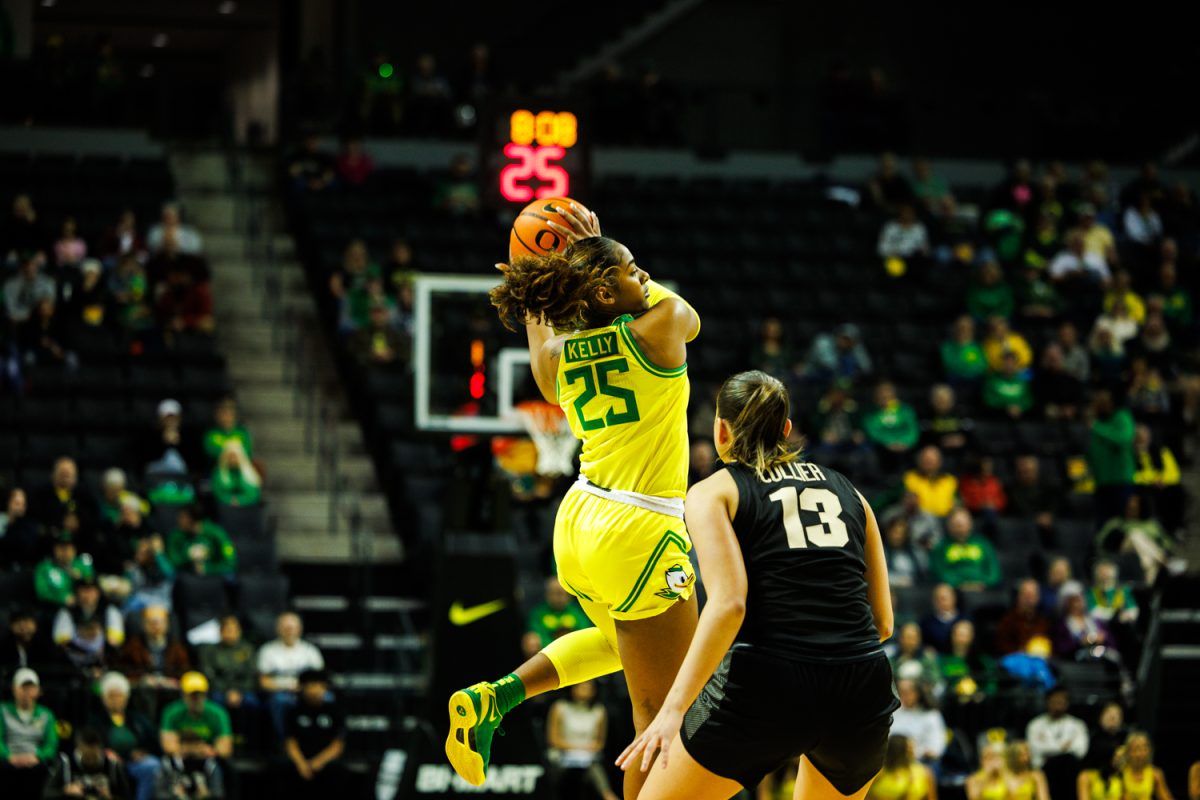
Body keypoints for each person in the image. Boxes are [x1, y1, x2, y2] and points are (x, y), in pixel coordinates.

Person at [447, 207, 703, 798]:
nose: (644, 277)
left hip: (580, 521)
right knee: (662, 718)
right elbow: (684, 314)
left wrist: (544, 274)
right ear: (607, 289)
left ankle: (498, 697)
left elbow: (543, 345)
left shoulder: (557, 363)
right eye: (633, 270)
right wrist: (587, 254)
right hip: (641, 527)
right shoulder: (660, 328)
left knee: (620, 646)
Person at [614, 369, 898, 800]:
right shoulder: (851, 493)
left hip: (772, 678)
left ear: (721, 430)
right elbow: (882, 622)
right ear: (786, 429)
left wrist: (673, 711)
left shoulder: (713, 492)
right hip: (862, 685)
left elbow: (729, 605)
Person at [91, 672, 161, 800]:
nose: (116, 700)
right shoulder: (96, 721)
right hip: (109, 763)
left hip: (134, 763)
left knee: (152, 765)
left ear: (126, 698)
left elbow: (153, 740)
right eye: (111, 696)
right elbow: (92, 742)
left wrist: (143, 751)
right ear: (103, 698)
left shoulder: (137, 719)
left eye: (119, 696)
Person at [546, 681, 618, 800]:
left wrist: (588, 750)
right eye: (581, 687)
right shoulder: (559, 707)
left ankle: (608, 795)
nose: (585, 691)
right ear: (573, 688)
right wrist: (577, 748)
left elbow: (600, 743)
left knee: (595, 769)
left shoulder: (599, 710)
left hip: (589, 758)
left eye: (589, 688)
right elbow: (553, 740)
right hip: (562, 756)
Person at [258, 613, 325, 740]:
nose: (289, 631)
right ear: (278, 629)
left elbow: (320, 680)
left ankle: (319, 740)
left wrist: (306, 689)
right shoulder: (268, 650)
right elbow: (263, 682)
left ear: (299, 629)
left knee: (327, 698)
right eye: (285, 628)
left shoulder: (310, 651)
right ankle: (284, 742)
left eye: (292, 628)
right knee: (280, 701)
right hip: (280, 692)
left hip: (306, 692)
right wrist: (287, 686)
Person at [283, 670, 345, 800]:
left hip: (326, 761)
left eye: (319, 685)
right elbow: (290, 742)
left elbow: (338, 744)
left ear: (325, 688)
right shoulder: (293, 712)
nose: (314, 690)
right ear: (302, 687)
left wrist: (318, 762)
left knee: (337, 772)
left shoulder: (335, 711)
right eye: (310, 685)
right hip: (300, 761)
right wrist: (301, 764)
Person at [0, 668, 59, 799]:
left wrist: (38, 756)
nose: (27, 692)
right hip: (8, 762)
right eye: (23, 688)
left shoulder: (46, 714)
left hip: (35, 763)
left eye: (31, 688)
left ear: (38, 691)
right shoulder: (2, 711)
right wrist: (8, 756)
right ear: (14, 689)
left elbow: (51, 744)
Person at [43, 727, 131, 800]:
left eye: (94, 756)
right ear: (79, 749)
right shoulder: (65, 763)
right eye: (87, 756)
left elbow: (128, 796)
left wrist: (110, 797)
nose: (90, 760)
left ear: (100, 749)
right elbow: (46, 793)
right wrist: (66, 791)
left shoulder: (112, 765)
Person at [160, 672, 233, 760]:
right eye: (192, 695)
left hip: (209, 759)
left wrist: (186, 749)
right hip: (181, 759)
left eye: (199, 694)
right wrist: (197, 749)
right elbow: (169, 747)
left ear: (206, 695)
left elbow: (225, 750)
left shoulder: (218, 713)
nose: (196, 698)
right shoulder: (172, 712)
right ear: (183, 695)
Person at [1089, 391, 1135, 525]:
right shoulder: (1097, 421)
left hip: (1120, 480)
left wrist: (1097, 427)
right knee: (1103, 524)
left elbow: (1124, 439)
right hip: (1101, 482)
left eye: (1104, 401)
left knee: (1122, 523)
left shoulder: (1122, 417)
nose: (1099, 404)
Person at [930, 507, 1001, 591]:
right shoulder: (940, 547)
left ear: (970, 523)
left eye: (962, 524)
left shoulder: (983, 543)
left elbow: (993, 571)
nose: (960, 528)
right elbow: (940, 572)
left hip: (984, 588)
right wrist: (959, 584)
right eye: (956, 524)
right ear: (948, 525)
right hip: (954, 590)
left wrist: (983, 583)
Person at [1025, 687, 1088, 769]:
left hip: (1069, 769)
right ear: (1047, 701)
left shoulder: (1077, 724)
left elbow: (1080, 751)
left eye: (1062, 701)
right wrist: (1063, 748)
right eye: (1055, 700)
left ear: (1067, 703)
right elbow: (1035, 750)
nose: (1058, 703)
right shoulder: (1035, 724)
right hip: (1042, 769)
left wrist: (1047, 748)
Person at [166, 505, 237, 577]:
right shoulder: (176, 536)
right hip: (187, 576)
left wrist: (208, 568)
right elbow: (173, 561)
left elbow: (230, 560)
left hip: (216, 575)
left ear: (191, 519)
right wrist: (188, 556)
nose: (178, 520)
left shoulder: (217, 533)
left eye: (182, 517)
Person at [53, 578, 124, 649]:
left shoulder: (109, 610)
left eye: (91, 590)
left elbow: (114, 641)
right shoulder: (67, 611)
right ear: (77, 593)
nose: (88, 595)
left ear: (98, 593)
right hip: (73, 655)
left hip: (101, 655)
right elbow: (63, 644)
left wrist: (97, 640)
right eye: (84, 590)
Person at [889, 680, 946, 767]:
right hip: (892, 760)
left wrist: (915, 753)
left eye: (907, 692)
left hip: (921, 762)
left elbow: (935, 749)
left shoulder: (931, 715)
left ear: (918, 693)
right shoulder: (894, 711)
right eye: (901, 692)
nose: (903, 695)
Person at [937, 620, 997, 701]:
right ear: (952, 635)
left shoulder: (983, 660)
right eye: (959, 635)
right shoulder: (942, 660)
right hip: (950, 702)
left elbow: (992, 682)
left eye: (965, 635)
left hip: (978, 703)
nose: (962, 639)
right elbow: (938, 682)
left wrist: (983, 694)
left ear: (972, 636)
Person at [156, 731, 225, 799]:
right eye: (186, 754)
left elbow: (218, 793)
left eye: (194, 755)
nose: (190, 758)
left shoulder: (210, 766)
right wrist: (174, 794)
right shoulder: (168, 764)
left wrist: (206, 794)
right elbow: (159, 794)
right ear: (180, 747)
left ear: (200, 747)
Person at [34, 532, 95, 610]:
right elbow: (41, 592)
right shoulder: (44, 567)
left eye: (68, 547)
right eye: (61, 547)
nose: (65, 551)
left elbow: (93, 583)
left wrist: (80, 578)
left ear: (74, 550)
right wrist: (62, 598)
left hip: (82, 608)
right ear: (55, 549)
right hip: (54, 608)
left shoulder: (82, 565)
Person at [527, 578, 592, 649]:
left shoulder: (578, 612)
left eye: (560, 593)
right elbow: (536, 635)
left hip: (573, 650)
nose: (556, 598)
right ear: (546, 594)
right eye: (552, 593)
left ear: (568, 595)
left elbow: (584, 635)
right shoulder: (538, 613)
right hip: (547, 651)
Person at [1054, 586, 1115, 658]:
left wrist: (1104, 638)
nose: (1075, 605)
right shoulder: (1062, 625)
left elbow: (1112, 642)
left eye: (1078, 600)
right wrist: (1080, 643)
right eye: (1072, 601)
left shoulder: (1095, 621)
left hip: (1099, 656)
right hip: (1075, 661)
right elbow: (1061, 648)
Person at [867, 736, 936, 800]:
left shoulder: (924, 772)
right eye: (908, 750)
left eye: (912, 749)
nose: (913, 753)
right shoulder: (878, 772)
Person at [996, 579, 1052, 655]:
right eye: (1026, 595)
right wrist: (1022, 651)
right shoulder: (1008, 620)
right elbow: (1002, 647)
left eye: (1032, 596)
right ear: (1019, 597)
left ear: (1038, 598)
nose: (1029, 600)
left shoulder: (1043, 621)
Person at [903, 447, 958, 519]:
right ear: (919, 461)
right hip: (918, 520)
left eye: (932, 459)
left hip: (946, 519)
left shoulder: (950, 480)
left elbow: (957, 502)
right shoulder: (909, 477)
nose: (929, 462)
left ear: (939, 461)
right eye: (925, 459)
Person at [1117, 733, 1173, 800]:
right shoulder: (1120, 773)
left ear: (1149, 751)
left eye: (1143, 749)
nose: (1139, 754)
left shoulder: (1155, 774)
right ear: (1128, 752)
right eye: (1135, 749)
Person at [889, 623, 942, 694]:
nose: (910, 642)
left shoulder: (927, 659)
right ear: (900, 639)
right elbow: (888, 680)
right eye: (907, 638)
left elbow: (934, 678)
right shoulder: (892, 660)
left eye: (913, 638)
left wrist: (915, 683)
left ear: (919, 639)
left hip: (922, 698)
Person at [201, 397, 253, 468]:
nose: (227, 414)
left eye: (230, 410)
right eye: (223, 411)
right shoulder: (211, 434)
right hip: (218, 473)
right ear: (217, 414)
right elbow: (211, 453)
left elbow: (247, 452)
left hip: (241, 473)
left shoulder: (242, 433)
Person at [210, 440, 262, 508]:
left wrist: (240, 501)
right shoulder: (218, 473)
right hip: (225, 509)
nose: (232, 459)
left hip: (248, 509)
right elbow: (218, 493)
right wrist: (230, 501)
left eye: (235, 456)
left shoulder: (249, 472)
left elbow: (253, 494)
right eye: (230, 456)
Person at [919, 584, 969, 654]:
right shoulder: (926, 622)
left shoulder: (965, 619)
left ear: (954, 598)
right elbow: (921, 644)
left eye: (944, 598)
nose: (941, 602)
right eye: (937, 599)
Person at [941, 316, 989, 385]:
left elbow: (983, 366)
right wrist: (969, 368)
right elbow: (951, 366)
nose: (964, 331)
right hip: (956, 382)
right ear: (955, 329)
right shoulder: (947, 347)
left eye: (968, 328)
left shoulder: (977, 347)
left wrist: (968, 369)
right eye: (961, 328)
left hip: (976, 382)